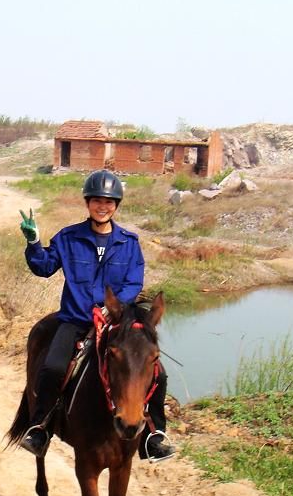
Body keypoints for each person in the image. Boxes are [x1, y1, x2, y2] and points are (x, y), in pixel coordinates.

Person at [17, 169, 175, 462]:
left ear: (117, 205)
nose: (103, 207)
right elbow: (44, 267)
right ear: (88, 203)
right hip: (76, 320)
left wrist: (112, 307)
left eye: (109, 202)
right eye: (97, 201)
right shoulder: (69, 237)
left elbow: (133, 282)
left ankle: (154, 435)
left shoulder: (128, 242)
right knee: (52, 368)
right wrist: (33, 243)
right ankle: (39, 428)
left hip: (116, 324)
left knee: (158, 373)